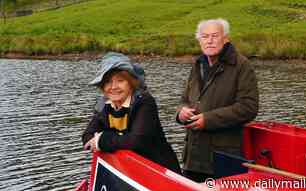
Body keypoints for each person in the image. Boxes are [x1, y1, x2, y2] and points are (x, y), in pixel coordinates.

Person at [176, 19, 259, 182]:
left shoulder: (242, 65)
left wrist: (208, 119)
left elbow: (248, 107)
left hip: (222, 158)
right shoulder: (197, 64)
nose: (210, 40)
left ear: (226, 38)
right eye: (205, 36)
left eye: (215, 35)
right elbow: (185, 99)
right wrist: (181, 112)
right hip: (193, 158)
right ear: (199, 40)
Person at [82, 52, 181, 174]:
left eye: (120, 80)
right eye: (108, 82)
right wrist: (110, 140)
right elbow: (87, 136)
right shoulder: (103, 104)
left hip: (160, 170)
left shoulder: (144, 102)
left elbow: (137, 141)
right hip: (131, 171)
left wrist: (102, 140)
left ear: (131, 83)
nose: (114, 87)